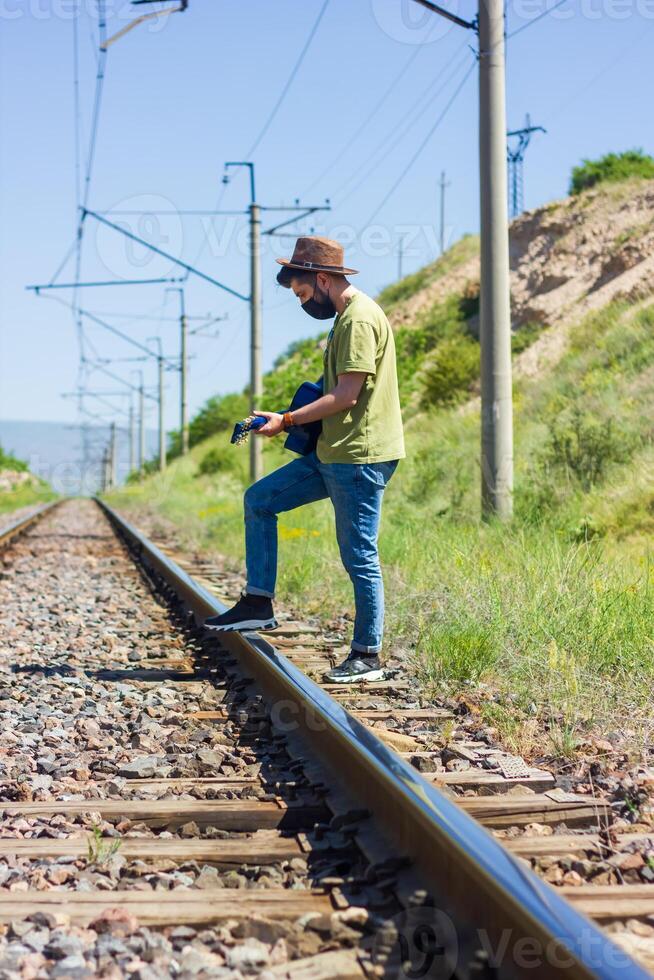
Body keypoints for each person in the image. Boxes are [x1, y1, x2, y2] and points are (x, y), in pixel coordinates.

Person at [205, 236, 405, 683]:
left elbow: (346, 396)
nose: (302, 303)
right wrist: (284, 418)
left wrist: (288, 420)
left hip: (358, 457)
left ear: (321, 278)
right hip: (330, 452)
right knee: (260, 500)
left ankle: (367, 654)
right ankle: (258, 603)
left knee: (359, 555)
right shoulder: (343, 318)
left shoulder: (358, 320)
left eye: (301, 294)